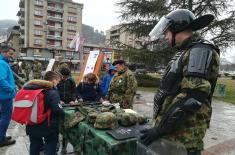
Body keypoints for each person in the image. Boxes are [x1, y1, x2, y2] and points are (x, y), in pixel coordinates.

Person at [140, 9, 220, 155]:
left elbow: (192, 97)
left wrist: (160, 129)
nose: (165, 37)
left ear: (177, 28)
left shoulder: (200, 50)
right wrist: (158, 126)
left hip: (185, 134)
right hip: (173, 130)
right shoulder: (186, 51)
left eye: (166, 32)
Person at [25, 71, 65, 155]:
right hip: (48, 125)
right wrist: (63, 113)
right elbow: (57, 110)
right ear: (54, 80)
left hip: (31, 122)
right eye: (58, 81)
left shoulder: (32, 89)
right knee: (50, 144)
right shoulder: (52, 92)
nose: (58, 84)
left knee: (34, 145)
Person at [0, 43, 17, 147]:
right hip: (5, 95)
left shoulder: (3, 62)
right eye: (9, 53)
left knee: (3, 117)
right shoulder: (2, 63)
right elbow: (1, 80)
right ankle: (1, 140)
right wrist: (11, 89)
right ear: (3, 52)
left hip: (4, 95)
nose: (11, 56)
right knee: (6, 117)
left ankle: (1, 135)